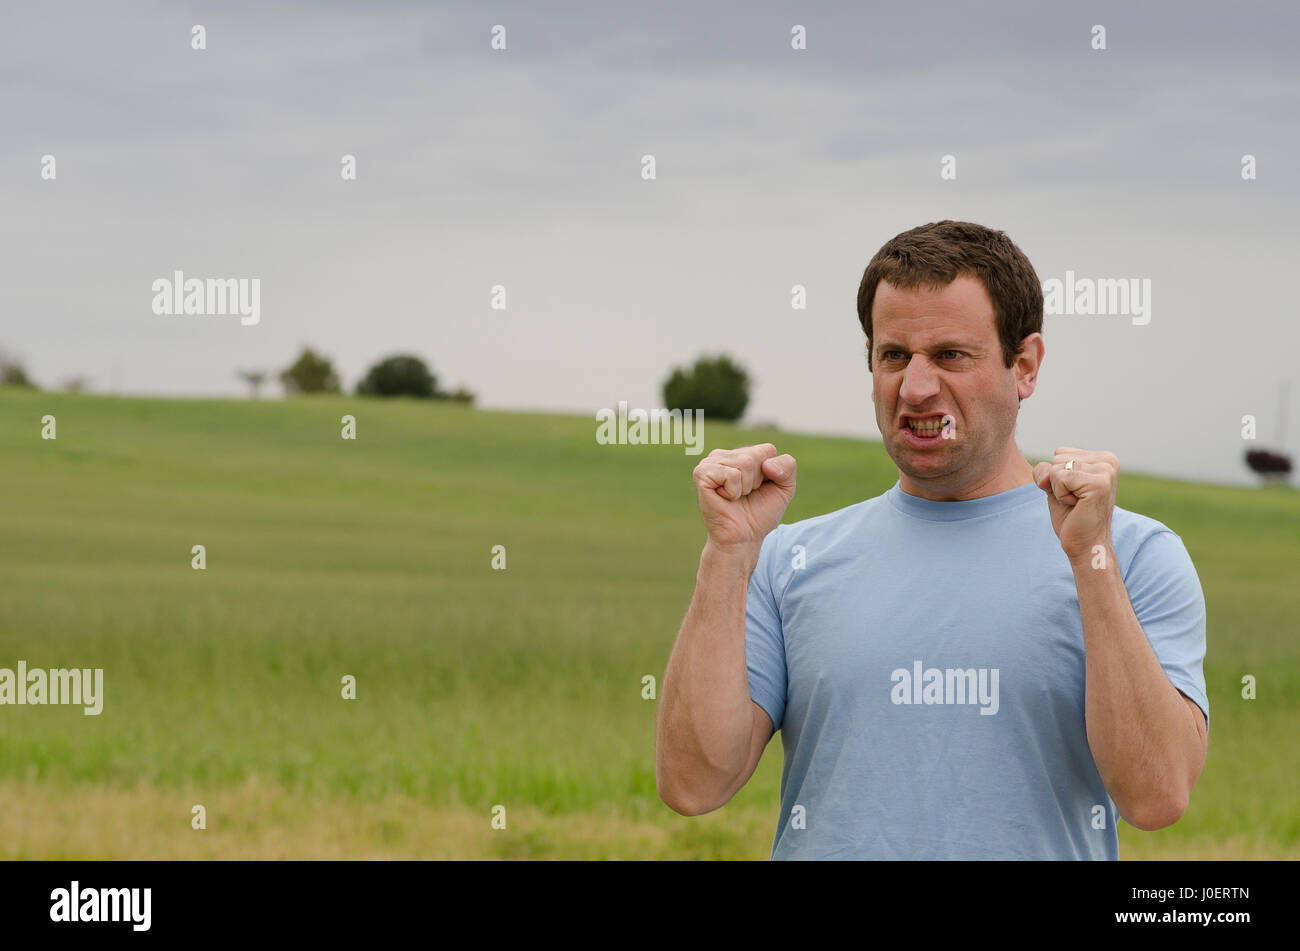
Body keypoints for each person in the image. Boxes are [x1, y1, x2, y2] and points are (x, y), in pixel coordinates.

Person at [654, 220, 1209, 860]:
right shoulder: (785, 557)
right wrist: (725, 557)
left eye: (950, 355)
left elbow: (1156, 797)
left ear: (1024, 366)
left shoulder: (1134, 555)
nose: (915, 389)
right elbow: (693, 785)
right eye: (894, 355)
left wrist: (1091, 561)